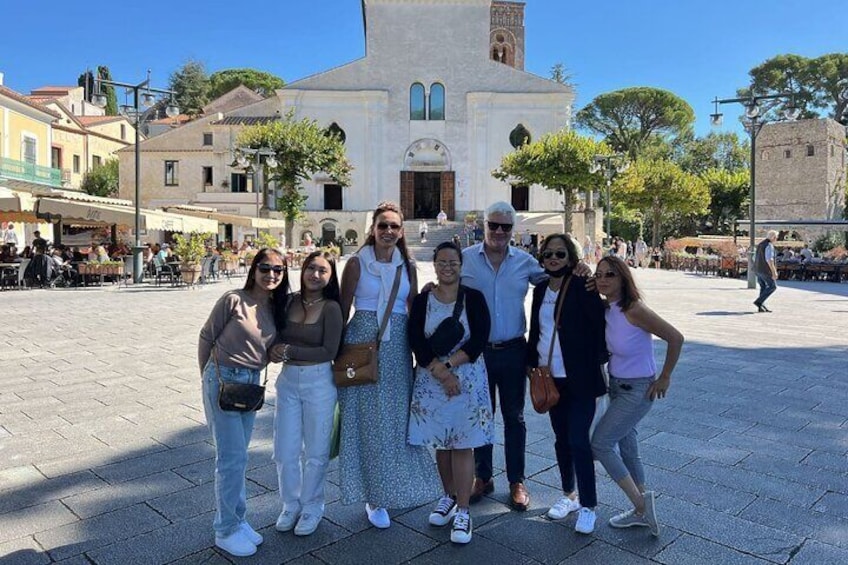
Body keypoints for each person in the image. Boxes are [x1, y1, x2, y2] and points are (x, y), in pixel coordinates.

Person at [338, 201, 440, 529]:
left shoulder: (406, 266)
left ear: (401, 231)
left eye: (394, 226)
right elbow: (341, 311)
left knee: (395, 421)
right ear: (373, 229)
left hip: (396, 348)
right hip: (362, 344)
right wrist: (331, 353)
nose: (388, 231)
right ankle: (373, 495)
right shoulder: (356, 263)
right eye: (382, 225)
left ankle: (390, 484)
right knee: (366, 422)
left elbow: (413, 311)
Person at [197, 249, 289, 557]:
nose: (272, 274)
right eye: (266, 268)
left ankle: (238, 519)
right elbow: (206, 337)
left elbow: (269, 346)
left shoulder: (276, 307)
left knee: (239, 456)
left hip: (250, 384)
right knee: (230, 458)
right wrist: (207, 377)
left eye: (278, 269)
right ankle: (225, 529)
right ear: (254, 269)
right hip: (223, 380)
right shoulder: (233, 299)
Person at [408, 242, 494, 544]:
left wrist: (449, 366)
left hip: (467, 378)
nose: (447, 267)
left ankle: (464, 509)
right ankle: (447, 496)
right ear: (434, 264)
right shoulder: (422, 301)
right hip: (433, 379)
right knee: (441, 444)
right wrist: (441, 372)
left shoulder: (474, 298)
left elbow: (479, 340)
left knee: (463, 444)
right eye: (442, 262)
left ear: (461, 265)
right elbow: (416, 339)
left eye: (453, 262)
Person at [592, 256, 684, 537]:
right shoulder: (607, 308)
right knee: (628, 448)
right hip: (617, 387)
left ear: (623, 278)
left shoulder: (635, 309)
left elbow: (675, 337)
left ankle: (640, 505)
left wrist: (665, 376)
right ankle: (642, 509)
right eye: (599, 275)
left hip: (638, 389)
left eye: (610, 274)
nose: (603, 279)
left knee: (600, 444)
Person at [527, 234, 607, 534]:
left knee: (578, 440)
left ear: (571, 258)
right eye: (548, 254)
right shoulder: (540, 290)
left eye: (560, 254)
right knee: (561, 439)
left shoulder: (583, 287)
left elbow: (599, 324)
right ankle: (569, 495)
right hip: (550, 377)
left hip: (580, 378)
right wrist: (529, 364)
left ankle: (589, 505)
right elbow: (536, 330)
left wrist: (598, 360)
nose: (553, 259)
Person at [270, 250, 344, 537]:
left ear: (330, 276)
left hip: (319, 381)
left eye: (322, 270)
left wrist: (288, 350)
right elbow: (275, 334)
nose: (315, 274)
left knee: (316, 450)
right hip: (288, 381)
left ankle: (312, 505)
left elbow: (330, 350)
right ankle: (290, 503)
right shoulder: (288, 301)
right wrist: (275, 348)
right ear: (302, 269)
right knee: (285, 449)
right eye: (311, 268)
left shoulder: (331, 308)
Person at [754, 230, 778, 313]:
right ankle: (759, 301)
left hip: (757, 269)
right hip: (765, 270)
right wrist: (774, 272)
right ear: (773, 237)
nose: (776, 240)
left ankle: (761, 306)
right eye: (776, 238)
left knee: (763, 287)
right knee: (773, 286)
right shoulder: (769, 245)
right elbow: (769, 260)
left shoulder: (760, 244)